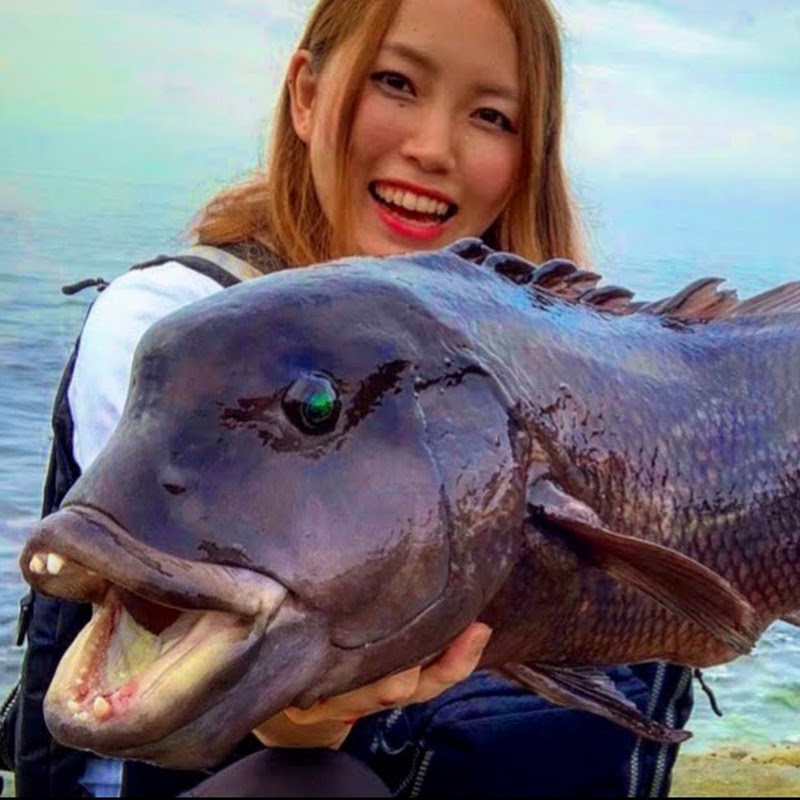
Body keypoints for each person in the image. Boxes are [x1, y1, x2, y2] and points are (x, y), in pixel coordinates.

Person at [3, 0, 693, 796]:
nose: (432, 148)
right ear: (306, 94)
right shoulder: (176, 327)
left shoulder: (550, 371)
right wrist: (300, 722)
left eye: (492, 116)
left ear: (527, 156)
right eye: (396, 82)